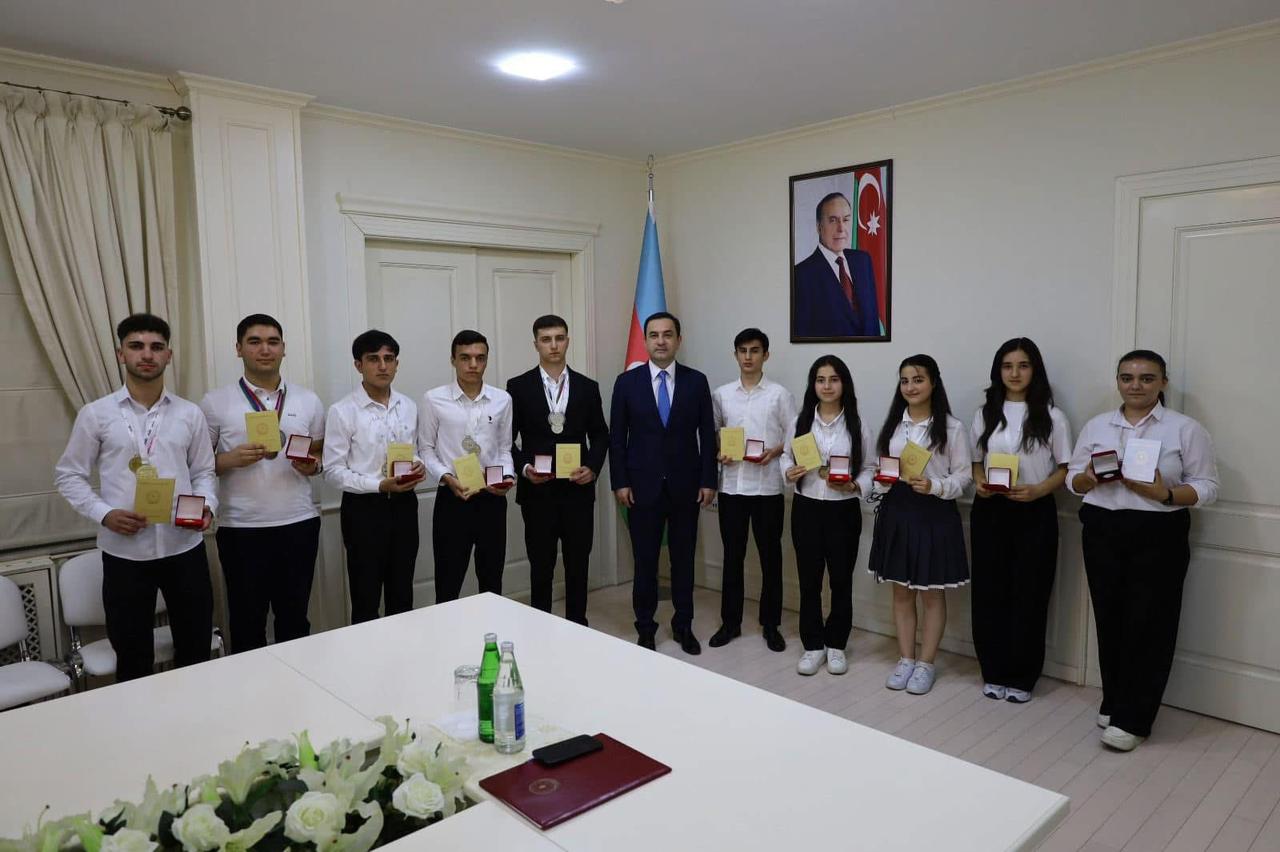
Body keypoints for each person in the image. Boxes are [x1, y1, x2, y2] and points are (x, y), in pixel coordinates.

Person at [1067, 350, 1218, 752]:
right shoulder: (1098, 425)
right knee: (1110, 618)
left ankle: (1134, 718)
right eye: (1127, 377)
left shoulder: (1184, 429)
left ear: (1163, 383)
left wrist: (1165, 493)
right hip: (1102, 528)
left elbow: (1207, 487)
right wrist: (1086, 480)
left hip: (1158, 531)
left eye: (1147, 378)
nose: (1136, 385)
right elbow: (1072, 479)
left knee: (1150, 623)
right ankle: (1115, 700)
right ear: (1118, 381)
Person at [54, 313, 216, 681]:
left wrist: (207, 505)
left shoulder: (189, 414)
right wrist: (104, 513)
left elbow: (204, 472)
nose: (147, 354)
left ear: (168, 356)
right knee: (132, 656)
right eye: (137, 346)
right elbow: (69, 475)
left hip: (184, 547)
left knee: (195, 649)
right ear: (120, 354)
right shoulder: (96, 414)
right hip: (125, 554)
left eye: (156, 347)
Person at [199, 314, 326, 653]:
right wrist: (229, 459)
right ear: (238, 348)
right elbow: (196, 466)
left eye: (273, 342)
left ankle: (297, 683)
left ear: (284, 348)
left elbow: (319, 453)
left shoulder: (308, 400)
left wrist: (312, 466)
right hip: (242, 529)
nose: (265, 349)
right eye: (254, 342)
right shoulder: (215, 402)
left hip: (298, 524)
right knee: (246, 623)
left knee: (294, 620)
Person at [969, 338, 1072, 702]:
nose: (1014, 373)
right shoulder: (985, 414)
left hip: (1034, 509)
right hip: (991, 509)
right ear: (998, 371)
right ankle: (993, 670)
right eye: (1007, 366)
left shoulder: (1053, 416)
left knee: (1030, 592)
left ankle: (1023, 676)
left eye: (1023, 365)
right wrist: (979, 483)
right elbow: (976, 461)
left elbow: (1066, 468)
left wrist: (1039, 490)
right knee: (989, 592)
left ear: (1035, 370)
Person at [610, 312, 717, 654]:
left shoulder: (696, 382)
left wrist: (708, 480)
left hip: (687, 487)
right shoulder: (626, 383)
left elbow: (708, 435)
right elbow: (617, 438)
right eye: (654, 335)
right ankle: (645, 627)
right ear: (645, 340)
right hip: (642, 488)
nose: (661, 341)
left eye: (667, 334)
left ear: (678, 340)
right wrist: (620, 481)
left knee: (683, 562)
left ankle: (683, 626)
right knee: (645, 563)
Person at [867, 354, 971, 695]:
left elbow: (964, 477)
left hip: (935, 513)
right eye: (905, 381)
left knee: (931, 594)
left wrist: (935, 485)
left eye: (918, 379)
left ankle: (926, 664)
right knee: (901, 592)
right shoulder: (894, 425)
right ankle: (906, 659)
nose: (910, 387)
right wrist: (882, 479)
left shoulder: (952, 428)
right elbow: (881, 468)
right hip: (898, 510)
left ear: (933, 383)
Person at [506, 315, 608, 625]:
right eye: (546, 339)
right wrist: (524, 468)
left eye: (559, 338)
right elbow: (506, 440)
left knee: (578, 565)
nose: (553, 345)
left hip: (578, 491)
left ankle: (577, 625)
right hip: (538, 493)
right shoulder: (518, 387)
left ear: (567, 341)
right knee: (541, 567)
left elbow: (601, 435)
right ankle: (541, 629)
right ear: (535, 344)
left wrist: (592, 468)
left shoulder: (588, 387)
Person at [781, 355, 876, 675]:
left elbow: (870, 467)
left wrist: (855, 485)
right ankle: (812, 645)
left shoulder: (858, 424)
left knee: (840, 580)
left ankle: (836, 644)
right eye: (820, 380)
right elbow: (785, 456)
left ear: (844, 384)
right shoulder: (800, 422)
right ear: (813, 385)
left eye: (833, 379)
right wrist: (788, 471)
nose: (827, 386)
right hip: (806, 508)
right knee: (809, 581)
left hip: (843, 510)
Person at [323, 330, 425, 623]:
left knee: (402, 593)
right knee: (366, 597)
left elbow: (413, 451)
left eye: (389, 359)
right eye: (373, 359)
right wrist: (379, 485)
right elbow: (332, 471)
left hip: (404, 506)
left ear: (396, 364)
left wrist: (417, 465)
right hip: (364, 510)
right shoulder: (342, 411)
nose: (383, 366)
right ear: (359, 365)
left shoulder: (408, 406)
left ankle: (402, 649)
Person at [710, 328, 797, 652]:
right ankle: (730, 623)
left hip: (767, 488)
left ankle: (771, 625)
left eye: (755, 350)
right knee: (732, 557)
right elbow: (713, 434)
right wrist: (719, 451)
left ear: (766, 355)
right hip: (732, 487)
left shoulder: (779, 395)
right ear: (735, 355)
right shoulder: (721, 394)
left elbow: (794, 437)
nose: (748, 357)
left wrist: (775, 451)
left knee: (770, 558)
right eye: (743, 351)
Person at [419, 330, 515, 602]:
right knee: (448, 582)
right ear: (453, 360)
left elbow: (505, 448)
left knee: (492, 580)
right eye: (465, 358)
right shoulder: (433, 399)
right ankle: (447, 630)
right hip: (453, 498)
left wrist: (507, 477)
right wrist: (446, 477)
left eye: (480, 358)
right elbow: (425, 449)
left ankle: (490, 627)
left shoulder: (502, 399)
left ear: (486, 360)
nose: (473, 364)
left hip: (491, 499)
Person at [792, 192, 880, 339]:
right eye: (833, 220)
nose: (841, 228)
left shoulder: (863, 261)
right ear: (819, 227)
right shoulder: (801, 275)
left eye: (845, 220)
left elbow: (873, 323)